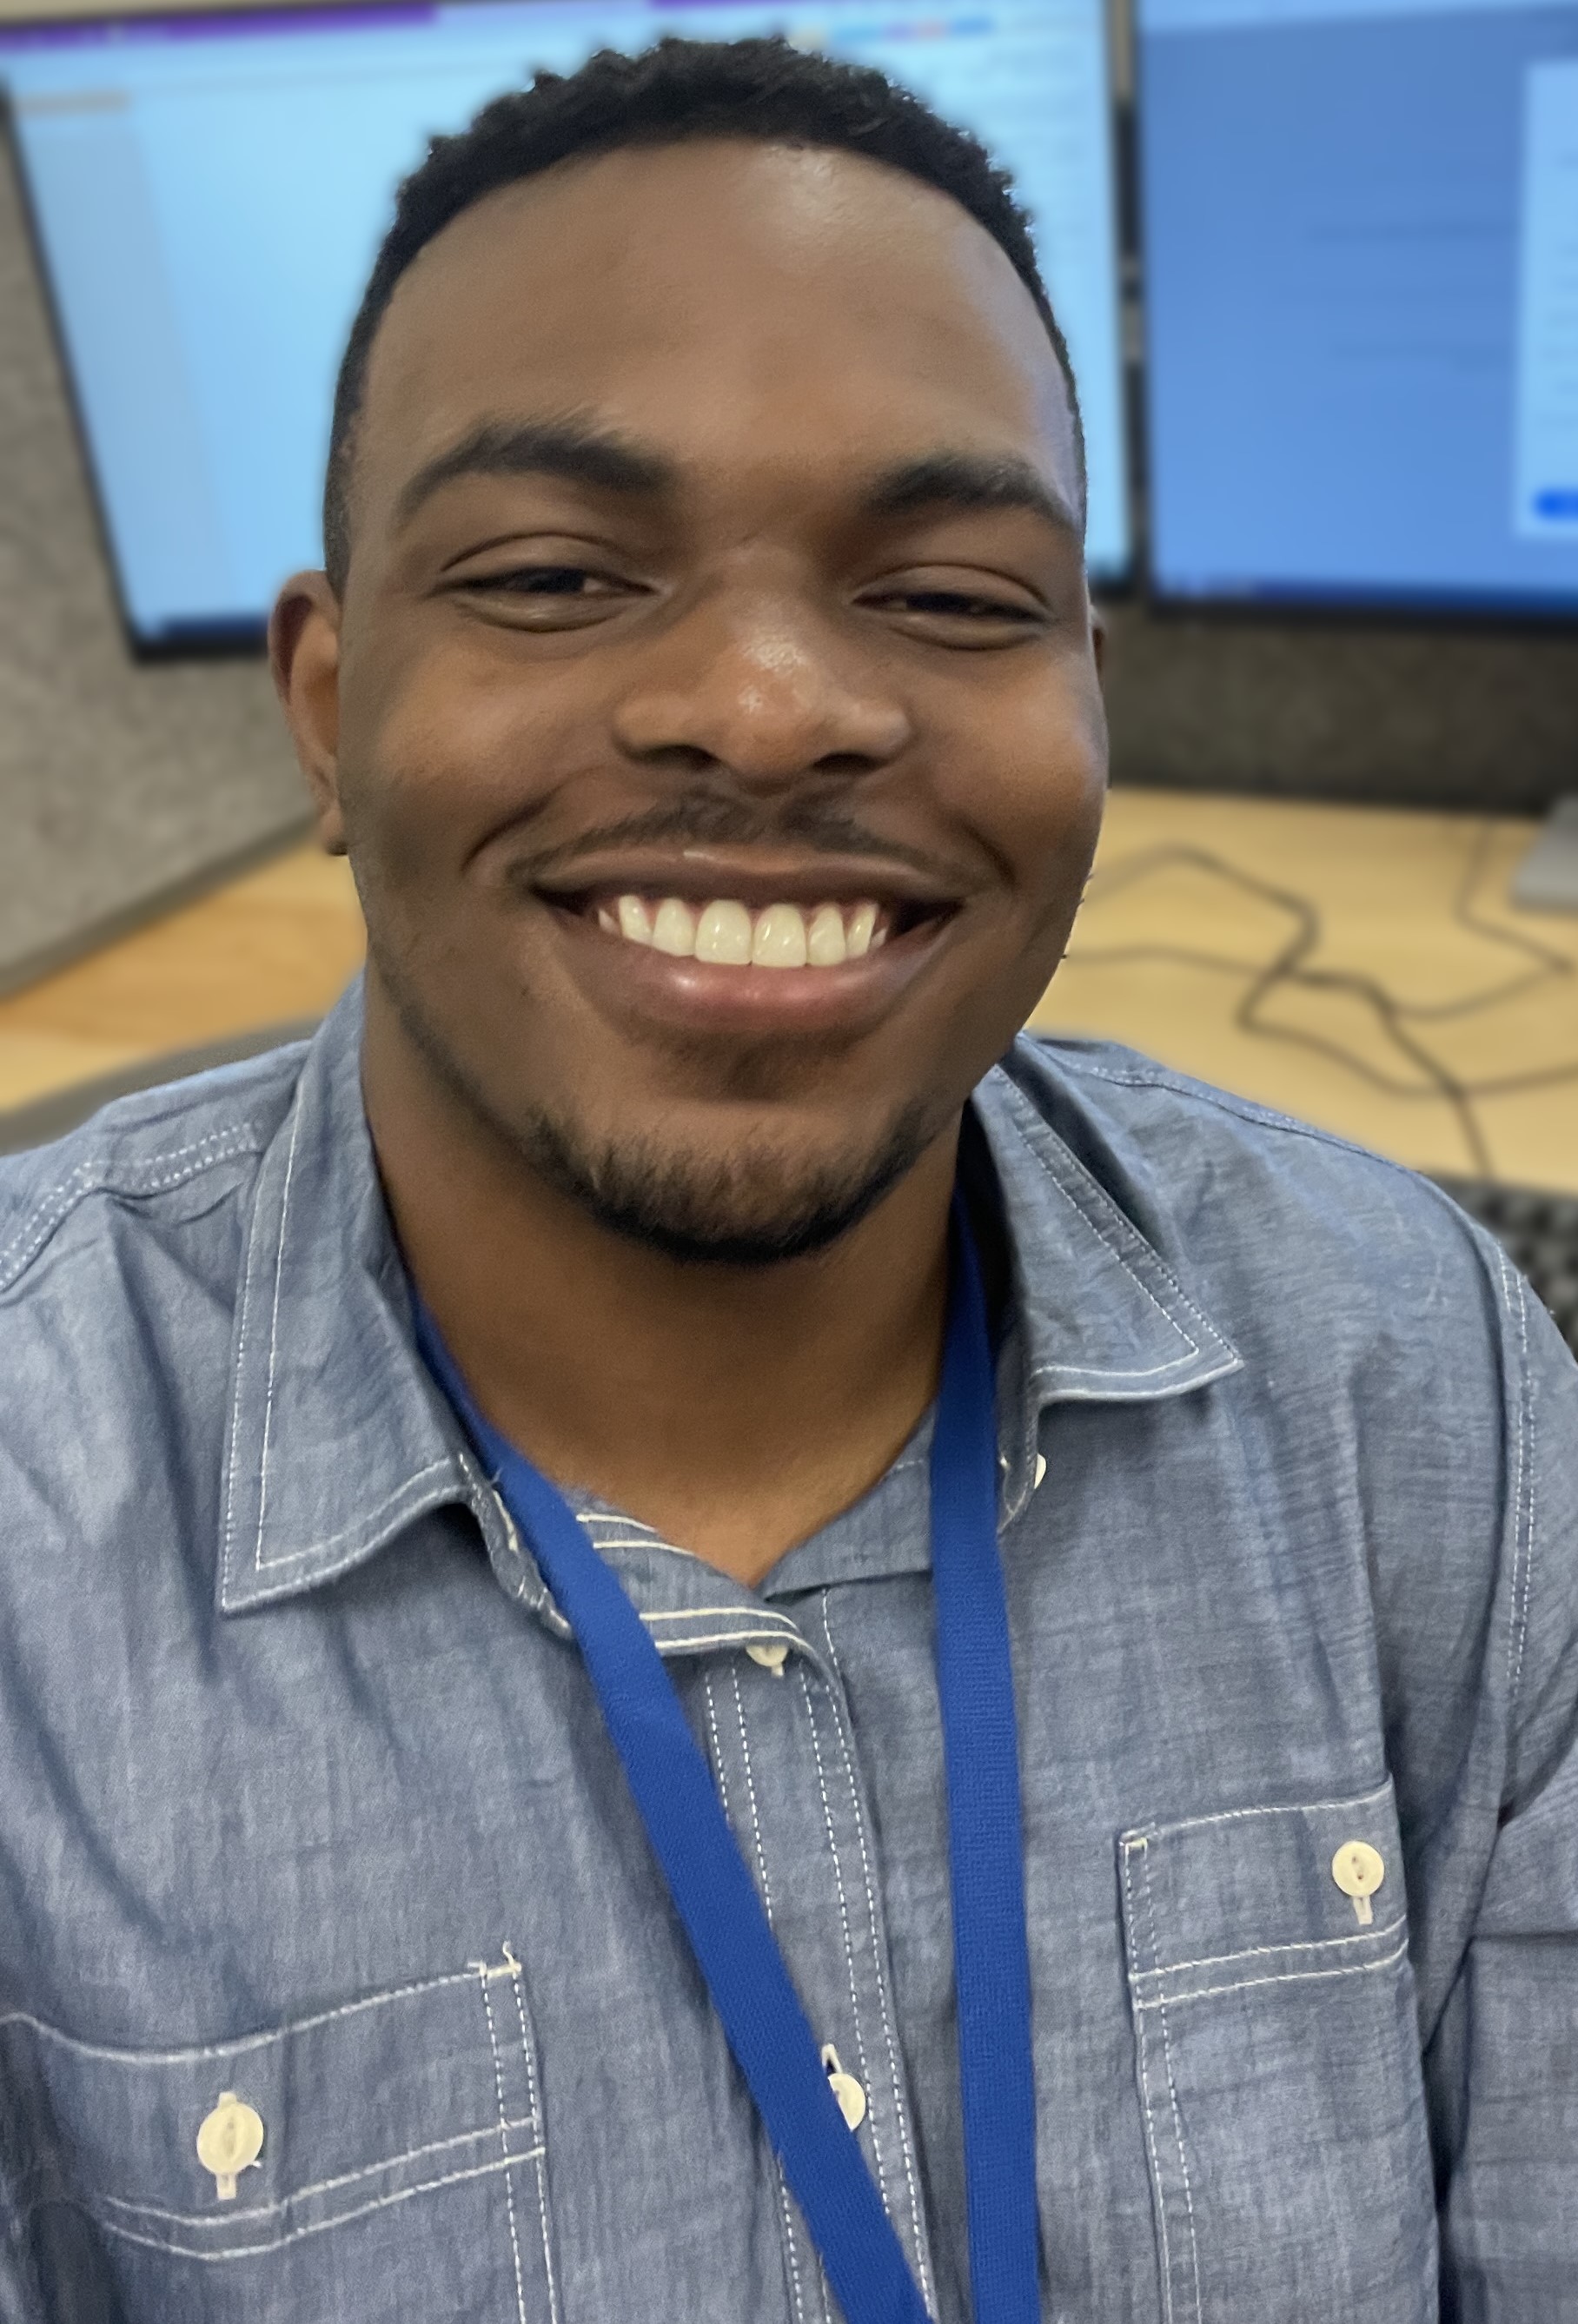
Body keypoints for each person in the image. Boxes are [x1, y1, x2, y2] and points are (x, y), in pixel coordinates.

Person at [0, 36, 1571, 2323]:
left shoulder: (1423, 1390)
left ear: (1089, 702)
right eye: (553, 572)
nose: (765, 705)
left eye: (948, 594)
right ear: (330, 706)